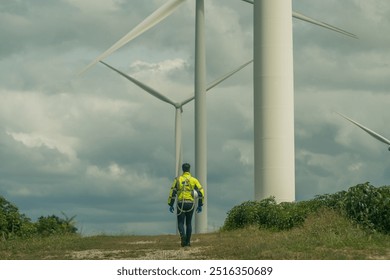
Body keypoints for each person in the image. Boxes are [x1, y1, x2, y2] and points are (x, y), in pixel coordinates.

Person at [167, 163, 205, 247]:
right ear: (189, 169)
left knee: (180, 223)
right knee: (189, 223)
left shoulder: (177, 179)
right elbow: (201, 192)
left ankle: (183, 239)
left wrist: (171, 204)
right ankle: (188, 242)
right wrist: (200, 204)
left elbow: (172, 192)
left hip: (181, 203)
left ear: (182, 169)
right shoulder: (194, 180)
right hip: (190, 204)